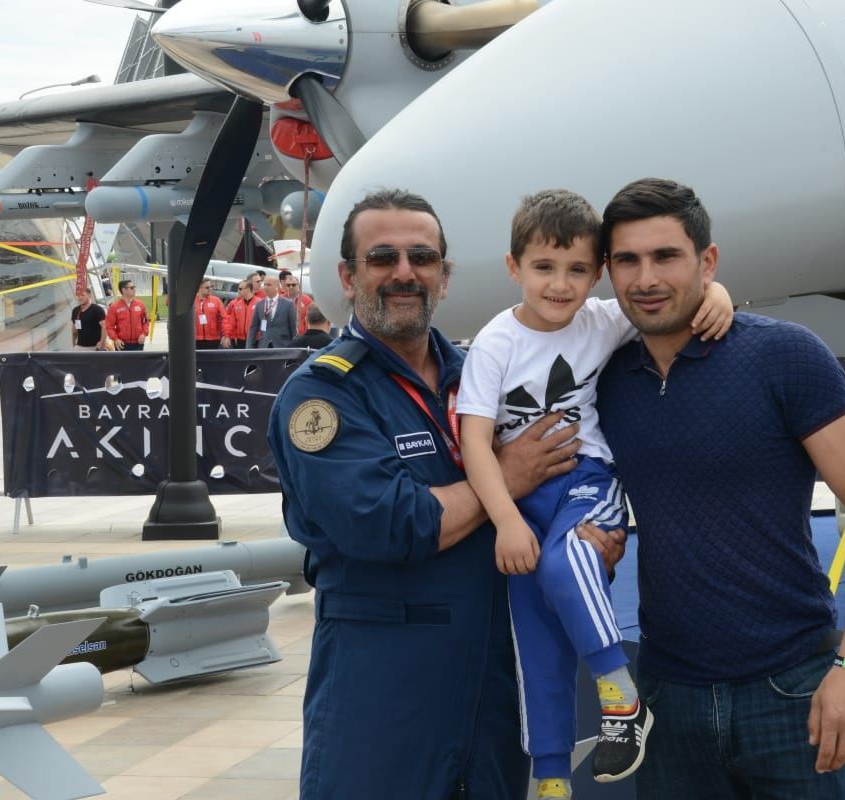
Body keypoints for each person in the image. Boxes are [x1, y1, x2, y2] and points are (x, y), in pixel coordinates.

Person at [266, 189, 625, 800]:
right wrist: (506, 479)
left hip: (489, 688)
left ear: (445, 277)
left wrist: (589, 541)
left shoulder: (481, 371)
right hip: (383, 696)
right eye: (383, 258)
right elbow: (387, 524)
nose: (405, 273)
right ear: (348, 278)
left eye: (423, 258)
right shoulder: (324, 398)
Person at [594, 178, 845, 800]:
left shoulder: (785, 356)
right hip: (666, 696)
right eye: (627, 260)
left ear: (707, 262)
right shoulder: (601, 377)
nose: (645, 277)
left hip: (793, 691)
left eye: (666, 256)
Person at [458, 190, 732, 797]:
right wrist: (505, 521)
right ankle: (552, 779)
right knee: (536, 645)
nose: (561, 285)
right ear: (513, 268)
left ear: (598, 273)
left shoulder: (603, 319)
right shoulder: (494, 343)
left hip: (585, 483)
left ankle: (620, 694)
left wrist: (718, 294)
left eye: (578, 269)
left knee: (569, 559)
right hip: (520, 505)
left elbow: (683, 297)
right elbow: (475, 442)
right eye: (544, 267)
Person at [246, 275, 296, 348]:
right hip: (264, 347)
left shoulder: (288, 304)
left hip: (283, 347)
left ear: (277, 287)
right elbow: (253, 328)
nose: (265, 287)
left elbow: (293, 328)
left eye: (269, 285)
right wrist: (248, 347)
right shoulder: (259, 305)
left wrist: (293, 348)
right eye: (265, 284)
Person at [105, 280, 150, 351]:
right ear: (124, 290)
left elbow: (145, 322)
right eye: (132, 288)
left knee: (137, 362)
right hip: (121, 344)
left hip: (138, 343)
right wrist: (116, 339)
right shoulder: (114, 307)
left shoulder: (140, 305)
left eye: (134, 287)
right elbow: (109, 326)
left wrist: (144, 334)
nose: (134, 289)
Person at [224, 280, 258, 349]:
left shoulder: (259, 303)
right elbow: (232, 323)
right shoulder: (237, 304)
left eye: (240, 289)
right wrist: (227, 336)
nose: (238, 291)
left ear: (248, 289)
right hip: (240, 340)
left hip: (255, 339)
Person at [193, 279, 226, 349]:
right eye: (207, 287)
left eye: (211, 287)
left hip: (213, 339)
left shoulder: (216, 300)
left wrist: (225, 334)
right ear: (199, 288)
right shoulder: (192, 301)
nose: (210, 289)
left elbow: (225, 318)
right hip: (195, 339)